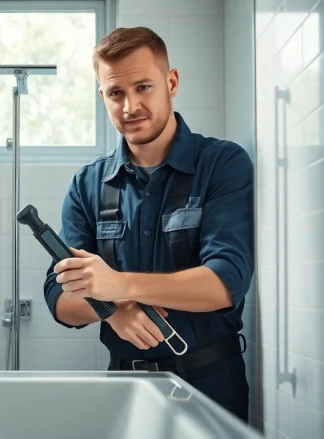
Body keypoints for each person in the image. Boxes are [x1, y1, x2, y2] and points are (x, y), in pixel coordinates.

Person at [42, 26, 255, 423]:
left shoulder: (223, 165)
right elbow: (60, 297)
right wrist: (111, 311)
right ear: (102, 96)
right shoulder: (86, 186)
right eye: (116, 93)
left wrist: (119, 286)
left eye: (143, 87)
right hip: (124, 391)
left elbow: (226, 281)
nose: (130, 106)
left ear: (171, 82)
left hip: (211, 388)